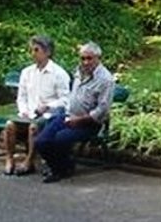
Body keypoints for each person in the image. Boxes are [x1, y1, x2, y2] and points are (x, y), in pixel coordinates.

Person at [34, 41, 116, 183]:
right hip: (68, 116)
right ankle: (63, 165)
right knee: (41, 141)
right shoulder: (78, 72)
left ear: (98, 58)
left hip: (89, 124)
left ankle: (59, 170)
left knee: (60, 138)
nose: (85, 62)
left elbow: (102, 110)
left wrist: (79, 120)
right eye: (82, 58)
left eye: (89, 58)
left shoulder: (105, 80)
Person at [5, 35, 70, 176]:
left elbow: (66, 100)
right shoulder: (27, 72)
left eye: (36, 50)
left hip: (48, 116)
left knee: (34, 127)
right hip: (28, 114)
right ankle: (10, 159)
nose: (33, 54)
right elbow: (21, 97)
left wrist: (48, 106)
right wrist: (23, 111)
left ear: (47, 52)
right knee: (10, 125)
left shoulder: (59, 74)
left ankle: (29, 161)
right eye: (31, 50)